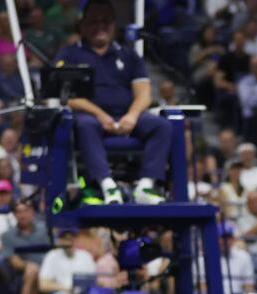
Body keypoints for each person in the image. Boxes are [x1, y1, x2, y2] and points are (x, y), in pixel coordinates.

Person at [56, 0, 172, 206]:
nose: (100, 26)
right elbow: (67, 96)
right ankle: (107, 186)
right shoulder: (70, 54)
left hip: (126, 116)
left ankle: (145, 185)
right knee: (85, 124)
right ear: (82, 25)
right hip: (90, 117)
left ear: (114, 25)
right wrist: (100, 115)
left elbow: (144, 94)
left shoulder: (128, 54)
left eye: (105, 21)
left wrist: (132, 116)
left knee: (162, 126)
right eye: (94, 21)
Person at [39, 227, 97, 294]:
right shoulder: (52, 256)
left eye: (70, 238)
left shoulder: (85, 256)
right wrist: (68, 289)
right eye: (65, 238)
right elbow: (43, 285)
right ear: (59, 241)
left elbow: (94, 281)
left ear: (76, 239)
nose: (68, 242)